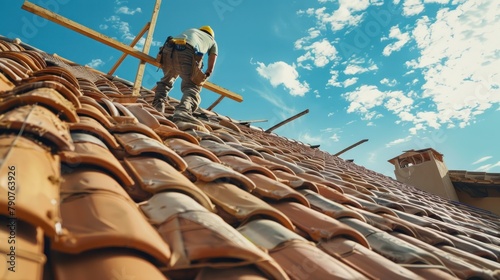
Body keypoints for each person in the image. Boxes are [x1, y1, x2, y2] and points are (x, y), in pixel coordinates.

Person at [152, 26, 218, 125]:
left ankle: (157, 106)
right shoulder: (212, 41)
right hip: (187, 51)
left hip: (169, 48)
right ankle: (183, 111)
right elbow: (211, 63)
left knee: (167, 79)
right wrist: (206, 74)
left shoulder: (192, 30)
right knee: (193, 86)